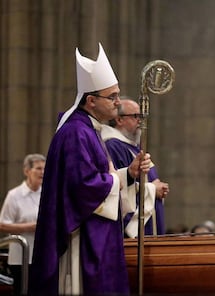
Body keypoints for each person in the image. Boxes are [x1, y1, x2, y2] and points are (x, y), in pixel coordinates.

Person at [28, 43, 153, 296]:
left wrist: (129, 173)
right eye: (113, 96)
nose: (118, 103)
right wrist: (117, 181)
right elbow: (83, 187)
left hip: (97, 234)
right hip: (83, 238)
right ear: (91, 100)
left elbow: (100, 178)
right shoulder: (76, 132)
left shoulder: (89, 129)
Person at [101, 98, 169, 236]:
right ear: (119, 120)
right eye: (135, 116)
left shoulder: (134, 147)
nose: (140, 121)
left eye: (141, 116)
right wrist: (153, 189)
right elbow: (120, 187)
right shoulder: (113, 146)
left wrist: (158, 186)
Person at [0, 154, 45, 295]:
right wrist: (30, 227)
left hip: (42, 255)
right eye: (38, 168)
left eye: (45, 168)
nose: (42, 172)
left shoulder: (47, 193)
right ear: (27, 171)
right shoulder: (14, 195)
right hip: (20, 257)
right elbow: (2, 225)